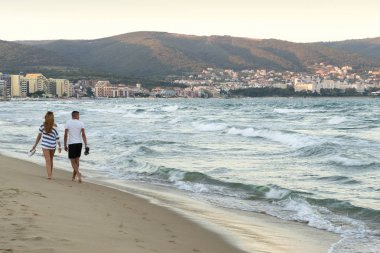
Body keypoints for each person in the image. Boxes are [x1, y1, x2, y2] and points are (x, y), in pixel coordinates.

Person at [31, 111, 62, 179]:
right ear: (52, 118)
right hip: (52, 146)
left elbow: (39, 136)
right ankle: (49, 175)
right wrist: (59, 146)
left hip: (46, 145)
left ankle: (50, 174)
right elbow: (57, 138)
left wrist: (35, 145)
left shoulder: (43, 125)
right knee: (49, 160)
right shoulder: (54, 126)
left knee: (49, 160)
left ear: (46, 117)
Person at [64, 111, 88, 183]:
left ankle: (78, 174)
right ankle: (73, 177)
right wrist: (86, 144)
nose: (79, 116)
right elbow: (83, 135)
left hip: (72, 143)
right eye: (78, 115)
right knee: (77, 161)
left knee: (72, 161)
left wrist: (65, 144)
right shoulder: (81, 123)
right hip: (79, 143)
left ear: (72, 116)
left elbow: (65, 135)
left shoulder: (68, 123)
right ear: (76, 115)